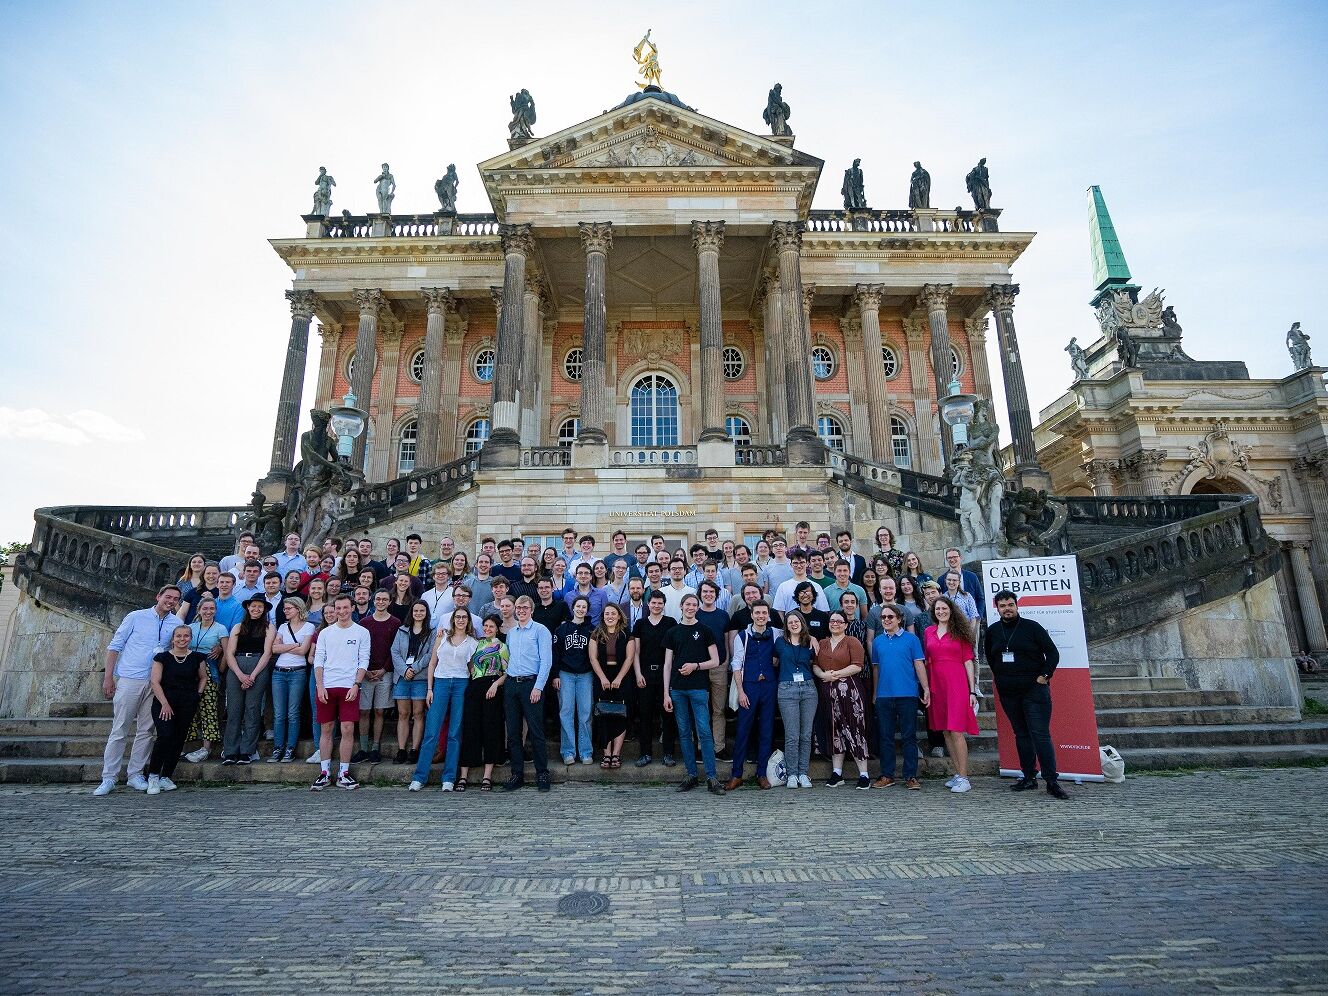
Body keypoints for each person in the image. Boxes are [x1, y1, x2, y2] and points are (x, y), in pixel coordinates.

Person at [984, 590, 1067, 799]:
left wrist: (1044, 676)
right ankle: (1029, 777)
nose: (1007, 609)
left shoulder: (1032, 627)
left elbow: (1053, 653)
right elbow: (990, 658)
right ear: (997, 608)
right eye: (1003, 606)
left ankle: (1051, 781)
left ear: (1016, 605)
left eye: (1010, 604)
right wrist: (1002, 679)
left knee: (1040, 735)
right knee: (1021, 734)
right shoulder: (993, 631)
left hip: (1034, 691)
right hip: (1009, 693)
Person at [662, 594, 725, 795]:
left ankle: (712, 777)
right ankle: (691, 774)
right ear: (681, 606)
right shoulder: (672, 632)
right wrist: (666, 693)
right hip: (677, 689)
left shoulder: (705, 630)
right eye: (687, 604)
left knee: (704, 732)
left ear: (697, 608)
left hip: (698, 687)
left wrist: (696, 666)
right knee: (684, 733)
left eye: (693, 605)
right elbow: (667, 664)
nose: (690, 607)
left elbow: (715, 660)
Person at [410, 606, 477, 792]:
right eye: (458, 617)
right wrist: (430, 689)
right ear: (453, 619)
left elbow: (472, 668)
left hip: (461, 684)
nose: (461, 620)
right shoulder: (441, 638)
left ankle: (449, 777)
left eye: (464, 617)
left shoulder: (472, 642)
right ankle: (419, 776)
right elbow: (432, 664)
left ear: (468, 620)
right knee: (432, 730)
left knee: (455, 732)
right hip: (440, 682)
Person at [310, 595, 370, 790]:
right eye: (338, 608)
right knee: (326, 729)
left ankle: (343, 773)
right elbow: (318, 661)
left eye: (345, 607)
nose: (342, 611)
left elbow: (364, 660)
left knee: (347, 729)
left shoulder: (362, 632)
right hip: (327, 686)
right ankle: (325, 772)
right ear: (333, 610)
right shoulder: (326, 633)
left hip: (349, 687)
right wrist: (319, 686)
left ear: (352, 608)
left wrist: (356, 684)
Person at [923, 597, 980, 793]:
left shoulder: (960, 632)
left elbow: (968, 661)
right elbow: (927, 659)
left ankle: (965, 777)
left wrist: (972, 690)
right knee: (945, 730)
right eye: (937, 609)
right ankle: (957, 773)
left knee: (956, 730)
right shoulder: (928, 631)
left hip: (956, 683)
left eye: (944, 608)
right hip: (936, 684)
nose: (940, 611)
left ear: (951, 610)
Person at [871, 603, 929, 789]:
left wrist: (925, 688)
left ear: (899, 619)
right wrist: (875, 692)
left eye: (890, 617)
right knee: (885, 737)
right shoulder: (878, 641)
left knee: (908, 737)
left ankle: (910, 776)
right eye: (883, 617)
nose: (886, 620)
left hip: (907, 694)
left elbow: (919, 664)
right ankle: (887, 775)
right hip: (884, 695)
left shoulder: (912, 640)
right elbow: (876, 669)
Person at [145, 624, 207, 794]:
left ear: (190, 638)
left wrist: (198, 694)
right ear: (173, 639)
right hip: (164, 703)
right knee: (164, 736)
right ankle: (153, 776)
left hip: (187, 703)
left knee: (179, 739)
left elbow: (203, 677)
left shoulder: (197, 657)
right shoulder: (162, 658)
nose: (182, 639)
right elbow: (155, 682)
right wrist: (164, 703)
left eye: (186, 636)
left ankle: (166, 776)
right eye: (178, 636)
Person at [502, 596, 554, 792]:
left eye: (525, 608)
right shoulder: (512, 633)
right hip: (512, 685)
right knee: (513, 733)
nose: (521, 611)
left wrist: (538, 687)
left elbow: (546, 662)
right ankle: (517, 774)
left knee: (536, 731)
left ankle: (542, 772)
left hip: (531, 684)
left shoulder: (541, 631)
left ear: (531, 610)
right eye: (518, 608)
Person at [726, 601, 780, 790]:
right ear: (752, 615)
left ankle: (762, 773)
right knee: (743, 730)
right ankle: (736, 774)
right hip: (749, 687)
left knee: (767, 730)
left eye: (764, 613)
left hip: (769, 687)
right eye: (757, 613)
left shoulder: (776, 633)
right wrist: (740, 691)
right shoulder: (743, 636)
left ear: (768, 615)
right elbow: (737, 664)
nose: (761, 616)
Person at [815, 611, 870, 789]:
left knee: (855, 728)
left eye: (839, 621)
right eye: (832, 621)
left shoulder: (852, 642)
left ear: (846, 625)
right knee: (834, 730)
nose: (835, 624)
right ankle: (837, 773)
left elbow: (857, 665)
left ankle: (864, 774)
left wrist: (836, 675)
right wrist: (823, 674)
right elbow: (814, 664)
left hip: (850, 692)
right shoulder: (822, 643)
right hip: (827, 692)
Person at [221, 594, 274, 765]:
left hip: (257, 666)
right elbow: (229, 652)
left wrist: (252, 675)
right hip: (237, 666)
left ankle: (247, 750)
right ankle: (230, 751)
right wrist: (239, 674)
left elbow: (267, 653)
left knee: (252, 709)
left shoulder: (268, 627)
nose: (256, 609)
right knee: (234, 710)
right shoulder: (238, 627)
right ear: (248, 607)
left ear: (264, 609)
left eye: (260, 607)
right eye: (253, 606)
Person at [457, 615, 509, 791]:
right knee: (470, 727)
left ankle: (487, 775)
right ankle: (463, 775)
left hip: (492, 687)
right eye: (485, 626)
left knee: (490, 729)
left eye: (491, 626)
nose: (487, 629)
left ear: (497, 629)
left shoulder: (502, 647)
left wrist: (495, 684)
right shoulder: (475, 643)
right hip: (474, 687)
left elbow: (506, 672)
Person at [354, 589, 401, 762]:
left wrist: (384, 669)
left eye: (384, 599)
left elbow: (396, 649)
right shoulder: (364, 622)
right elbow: (359, 648)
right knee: (364, 711)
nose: (381, 602)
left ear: (390, 602)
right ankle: (363, 748)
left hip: (385, 673)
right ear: (374, 601)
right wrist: (364, 670)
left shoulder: (395, 622)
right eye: (378, 599)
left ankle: (375, 747)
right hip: (365, 673)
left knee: (380, 711)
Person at [632, 591, 677, 767]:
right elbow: (635, 652)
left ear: (664, 604)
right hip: (645, 674)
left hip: (665, 674)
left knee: (667, 714)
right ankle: (645, 753)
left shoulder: (670, 623)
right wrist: (638, 673)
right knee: (645, 715)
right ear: (648, 604)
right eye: (653, 603)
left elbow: (671, 655)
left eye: (660, 603)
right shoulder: (640, 624)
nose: (657, 606)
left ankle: (668, 753)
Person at [182, 595, 229, 763]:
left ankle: (206, 748)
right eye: (205, 608)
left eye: (211, 609)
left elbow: (226, 651)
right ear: (199, 610)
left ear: (215, 611)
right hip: (189, 668)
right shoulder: (190, 627)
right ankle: (187, 745)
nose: (208, 611)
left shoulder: (220, 628)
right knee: (188, 708)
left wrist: (221, 669)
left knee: (208, 707)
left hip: (209, 669)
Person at [775, 609, 818, 789]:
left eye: (796, 621)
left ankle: (803, 773)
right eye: (790, 622)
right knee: (792, 735)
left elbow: (815, 662)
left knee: (806, 735)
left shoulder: (809, 642)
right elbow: (774, 662)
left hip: (808, 688)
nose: (794, 624)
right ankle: (792, 774)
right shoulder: (780, 642)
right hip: (787, 689)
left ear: (802, 622)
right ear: (786, 625)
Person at [268, 597, 314, 763]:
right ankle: (278, 747)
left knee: (293, 712)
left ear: (298, 609)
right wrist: (295, 645)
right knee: (279, 713)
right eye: (285, 608)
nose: (285, 611)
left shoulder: (309, 626)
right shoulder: (282, 626)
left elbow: (304, 651)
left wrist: (286, 647)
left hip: (297, 672)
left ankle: (290, 748)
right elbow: (274, 648)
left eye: (289, 608)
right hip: (279, 672)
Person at [553, 595, 596, 765]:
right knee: (566, 713)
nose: (580, 609)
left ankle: (586, 751)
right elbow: (555, 654)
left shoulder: (592, 630)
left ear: (587, 609)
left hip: (586, 674)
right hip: (566, 674)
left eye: (584, 607)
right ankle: (568, 751)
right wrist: (555, 675)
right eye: (578, 606)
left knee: (585, 714)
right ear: (573, 608)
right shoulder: (561, 630)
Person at [589, 602, 633, 769]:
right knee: (603, 715)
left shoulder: (627, 634)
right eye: (607, 614)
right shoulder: (596, 634)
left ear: (619, 616)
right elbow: (593, 658)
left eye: (613, 614)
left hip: (622, 677)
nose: (610, 616)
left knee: (620, 716)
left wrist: (619, 678)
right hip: (602, 677)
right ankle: (606, 754)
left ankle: (616, 754)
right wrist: (602, 678)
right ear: (603, 617)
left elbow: (629, 658)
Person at [391, 601, 433, 764]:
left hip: (420, 677)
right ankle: (401, 750)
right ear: (411, 612)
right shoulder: (402, 630)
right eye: (415, 610)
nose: (418, 613)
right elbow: (394, 652)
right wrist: (404, 670)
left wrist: (413, 668)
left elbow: (430, 654)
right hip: (402, 677)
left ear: (426, 613)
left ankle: (415, 749)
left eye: (422, 610)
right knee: (403, 714)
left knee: (418, 714)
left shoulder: (431, 632)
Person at [695, 580, 731, 760]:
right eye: (704, 591)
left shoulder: (723, 615)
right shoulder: (694, 614)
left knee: (719, 709)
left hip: (719, 667)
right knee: (702, 709)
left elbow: (725, 641)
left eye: (711, 592)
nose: (708, 594)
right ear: (700, 594)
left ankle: (719, 747)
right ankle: (702, 747)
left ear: (716, 595)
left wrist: (727, 662)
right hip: (699, 668)